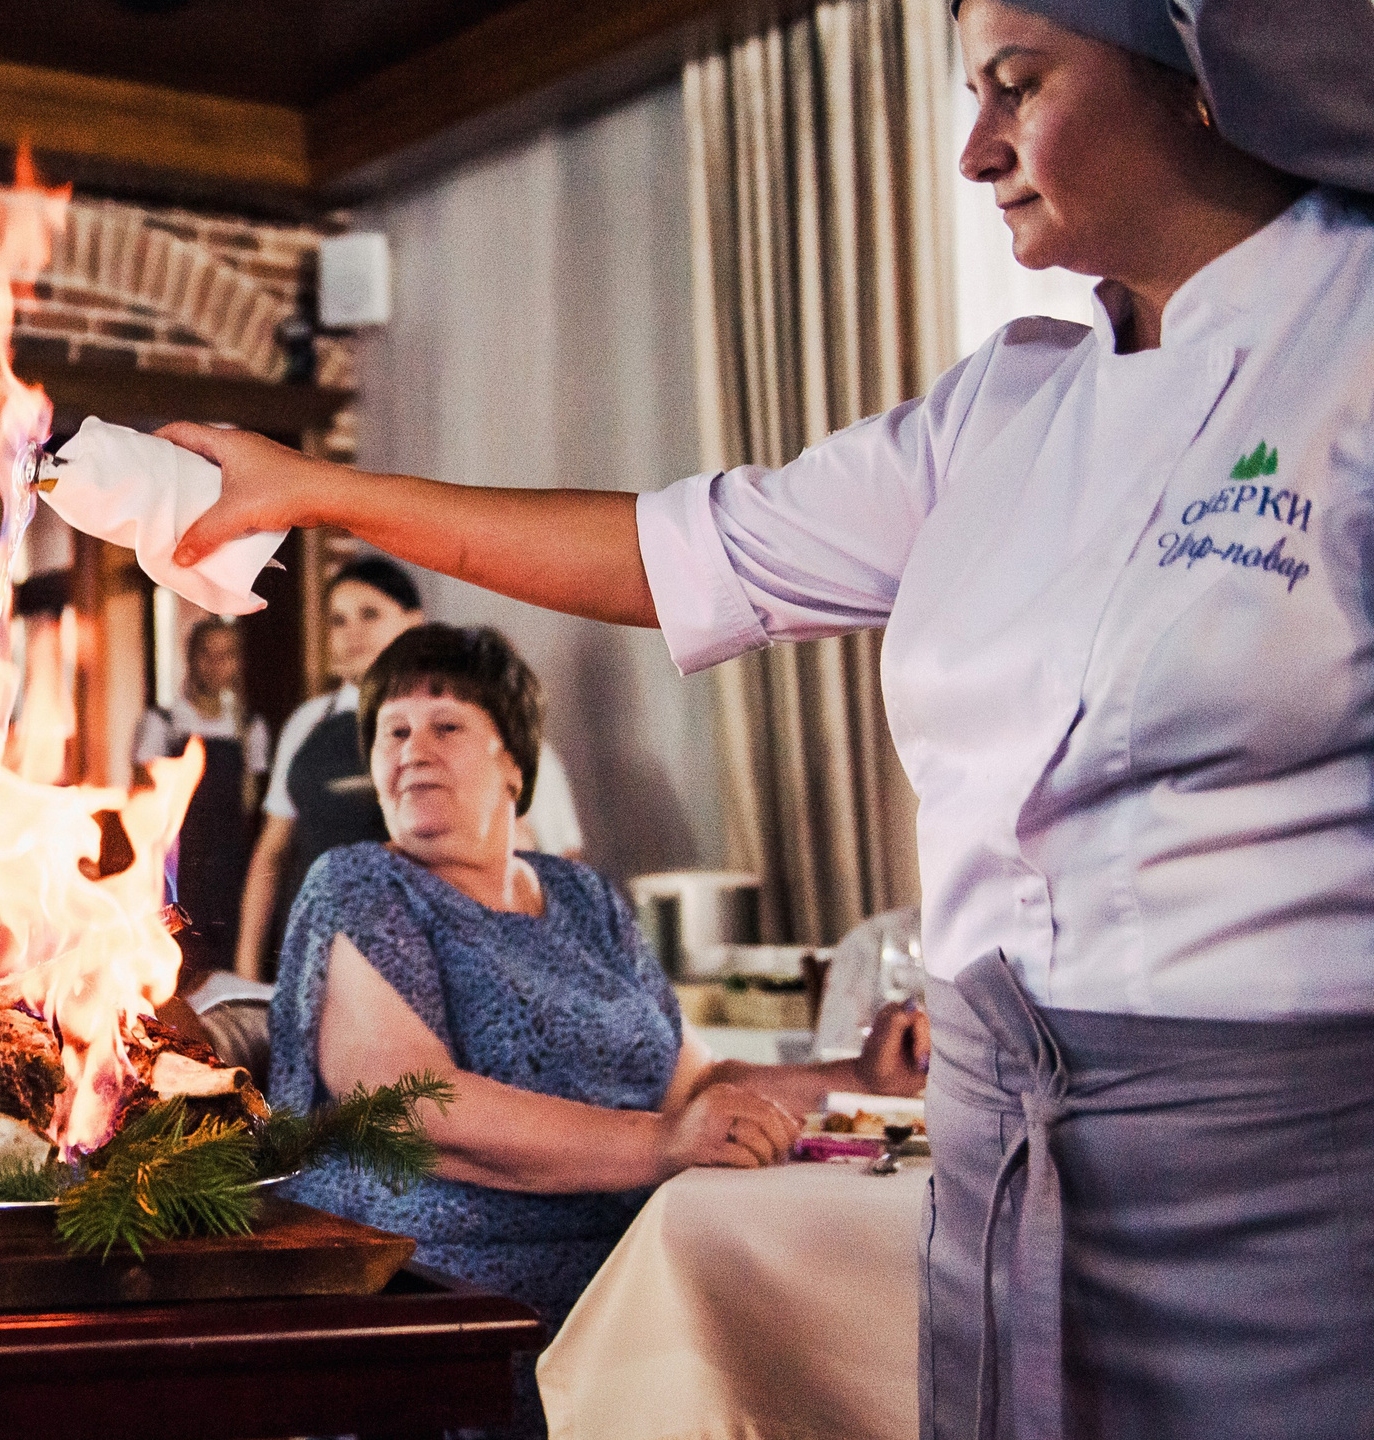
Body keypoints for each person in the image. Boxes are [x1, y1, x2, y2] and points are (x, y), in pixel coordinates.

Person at [169, 4, 1374, 1434]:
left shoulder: (1350, 347)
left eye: (1019, 87)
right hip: (1002, 1158)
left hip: (1287, 1159)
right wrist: (321, 491)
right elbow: (684, 553)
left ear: (1201, 83)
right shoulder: (1009, 408)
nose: (978, 147)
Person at [269, 625, 925, 1440]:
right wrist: (660, 1144)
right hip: (447, 1290)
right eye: (392, 731)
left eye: (446, 725)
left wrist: (861, 1078)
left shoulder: (585, 899)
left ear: (515, 763)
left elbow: (693, 1085)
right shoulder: (361, 883)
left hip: (634, 1244)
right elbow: (410, 1108)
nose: (412, 749)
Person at [233, 556, 427, 981]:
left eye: (369, 614)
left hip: (409, 967)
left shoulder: (443, 721)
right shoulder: (308, 723)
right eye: (338, 620)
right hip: (310, 960)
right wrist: (247, 973)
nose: (351, 633)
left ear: (414, 622)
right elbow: (273, 849)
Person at [134, 618, 270, 966]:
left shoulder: (249, 728)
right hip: (178, 865)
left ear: (238, 662)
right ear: (191, 658)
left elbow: (251, 802)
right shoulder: (162, 723)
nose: (216, 664)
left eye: (226, 655)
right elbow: (141, 805)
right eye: (207, 654)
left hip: (229, 868)